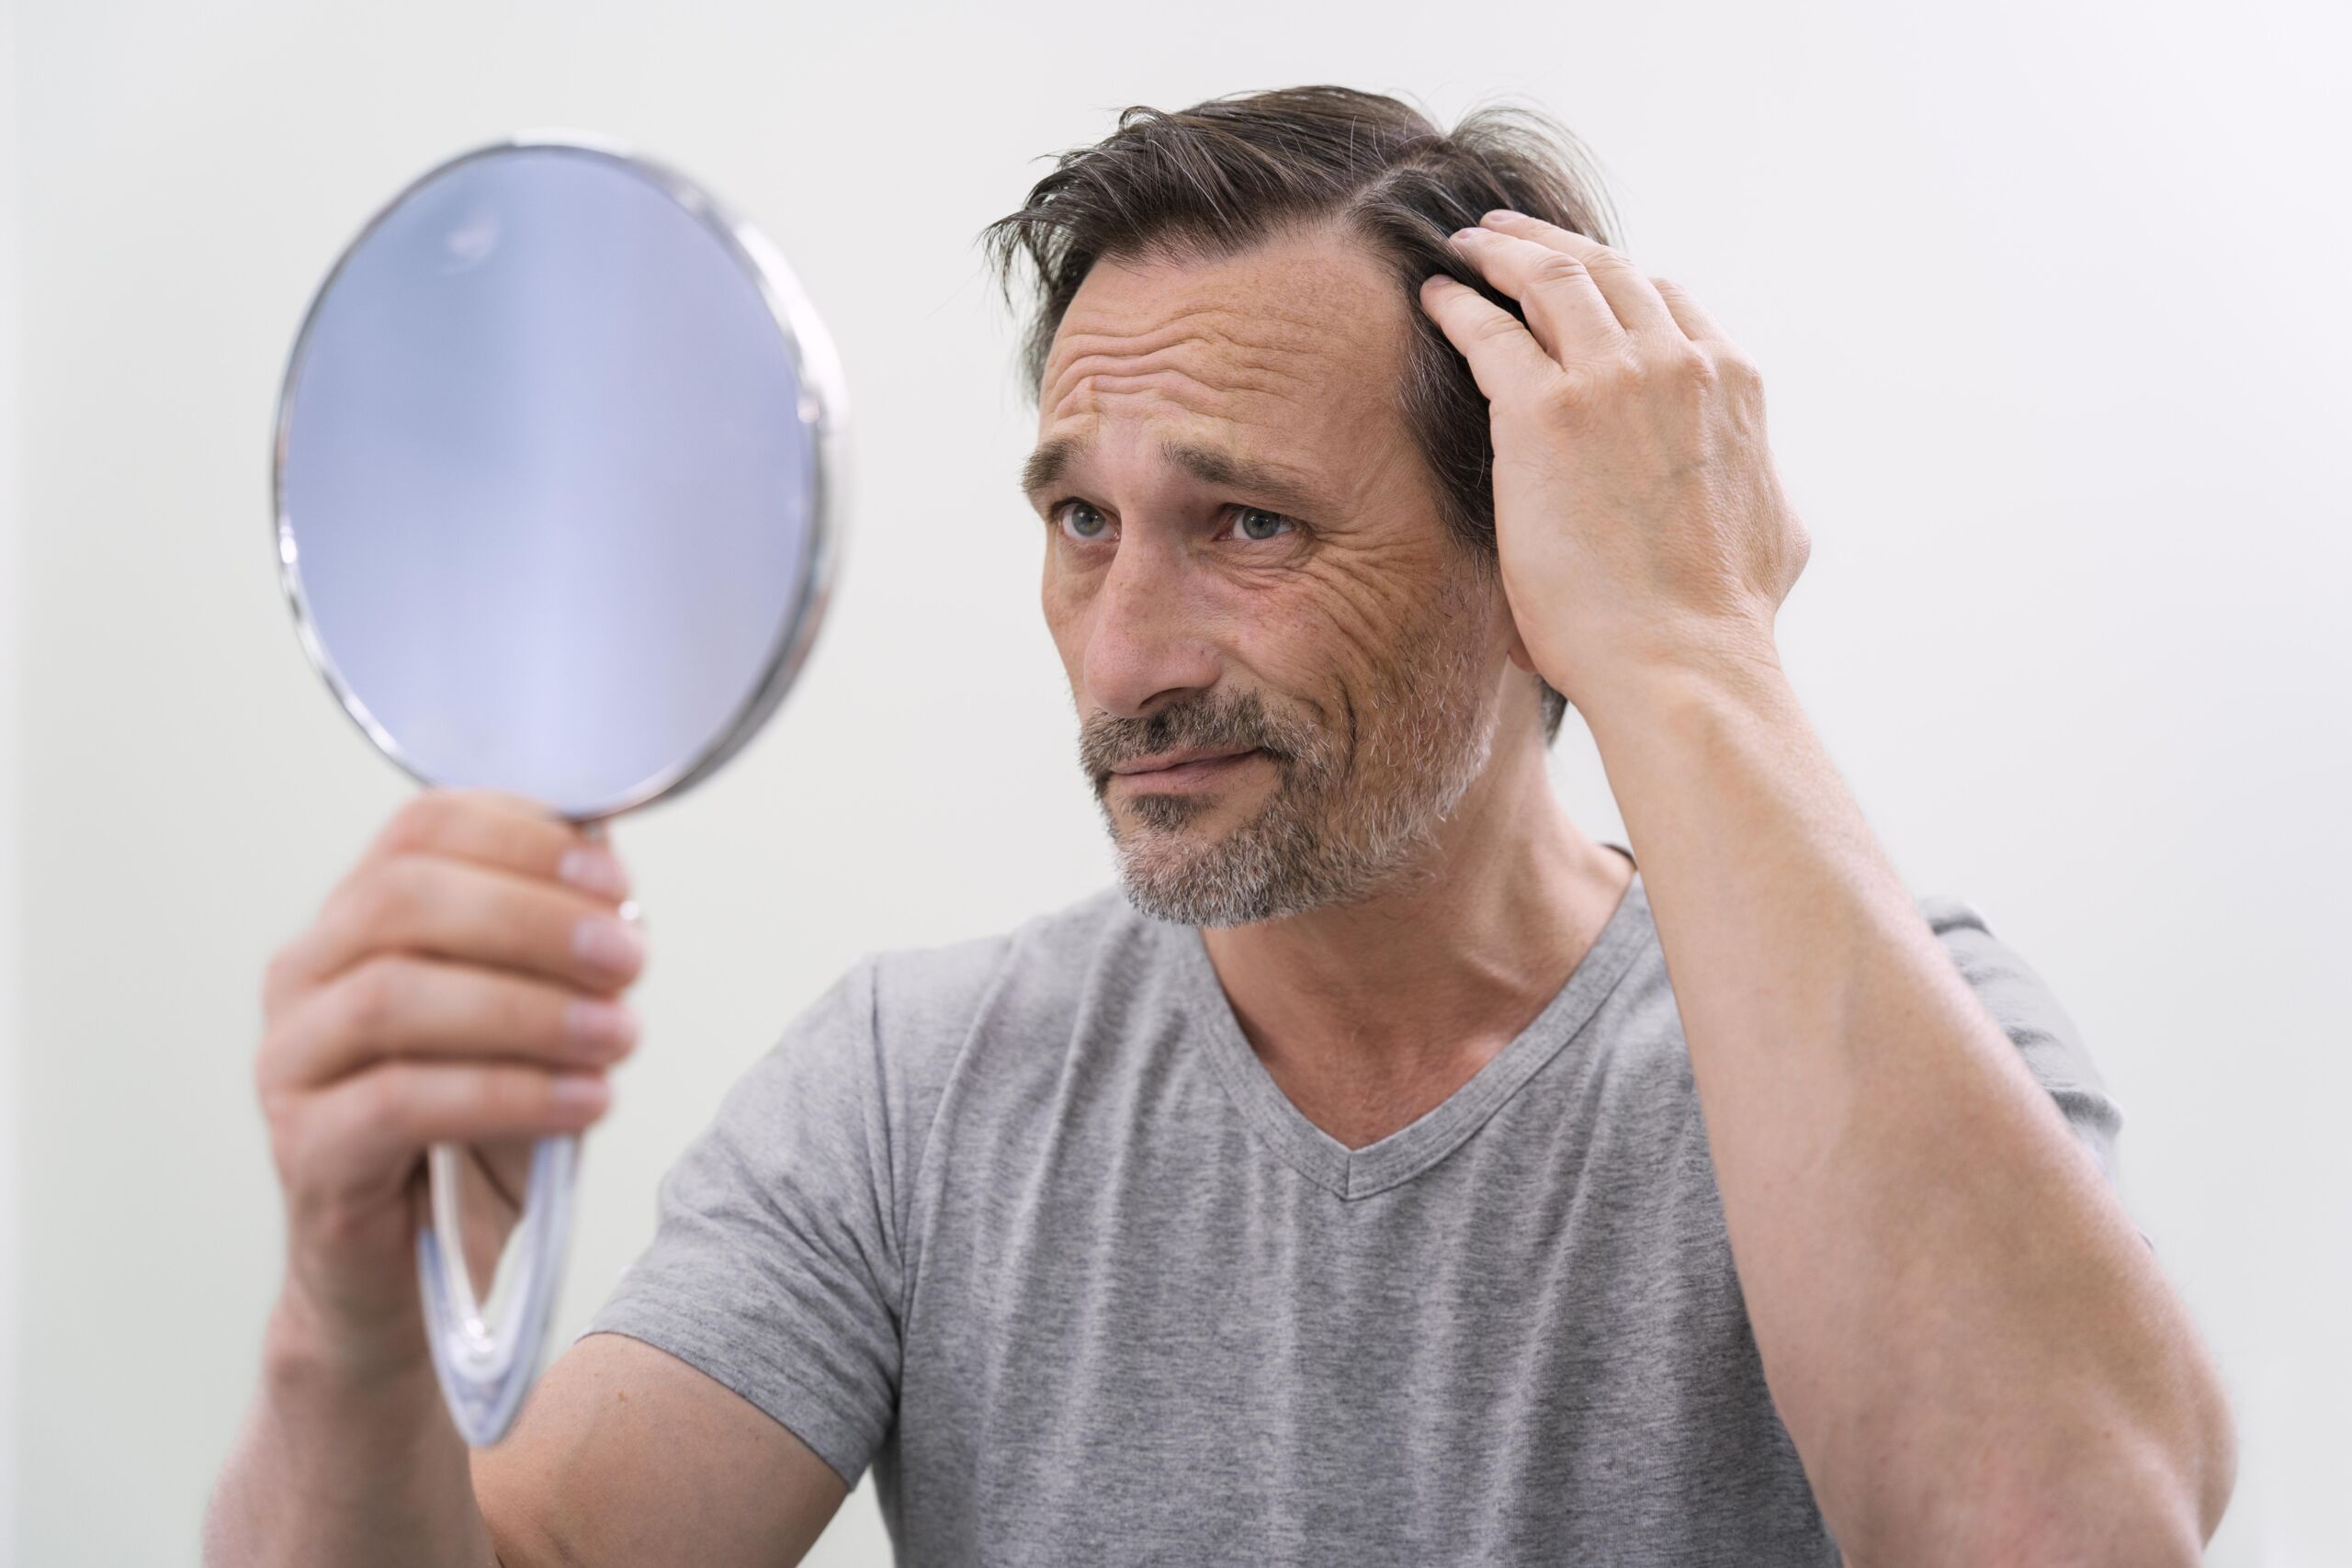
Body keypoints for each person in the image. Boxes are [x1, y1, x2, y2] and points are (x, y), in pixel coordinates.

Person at [204, 85, 2235, 1566]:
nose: (1122, 655)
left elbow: (2055, 1525)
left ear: (1526, 550)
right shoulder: (917, 1089)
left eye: (1244, 521)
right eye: (1081, 520)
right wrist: (344, 1317)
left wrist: (1687, 644)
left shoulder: (1891, 1023)